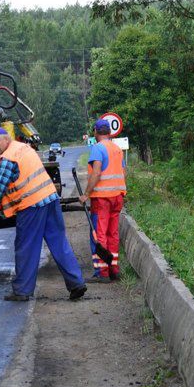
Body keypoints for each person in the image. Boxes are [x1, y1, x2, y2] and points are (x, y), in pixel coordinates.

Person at [0, 127, 87, 302]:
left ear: (4, 139)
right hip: (50, 199)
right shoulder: (24, 148)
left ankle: (22, 290)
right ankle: (76, 283)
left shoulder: (8, 158)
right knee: (59, 242)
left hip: (32, 205)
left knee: (26, 247)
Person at [80, 119, 127, 281]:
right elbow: (122, 171)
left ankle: (102, 272)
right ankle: (113, 269)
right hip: (117, 197)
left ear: (96, 132)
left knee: (100, 234)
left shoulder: (98, 148)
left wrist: (86, 194)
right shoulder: (117, 149)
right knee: (113, 234)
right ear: (109, 132)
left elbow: (97, 172)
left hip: (102, 199)